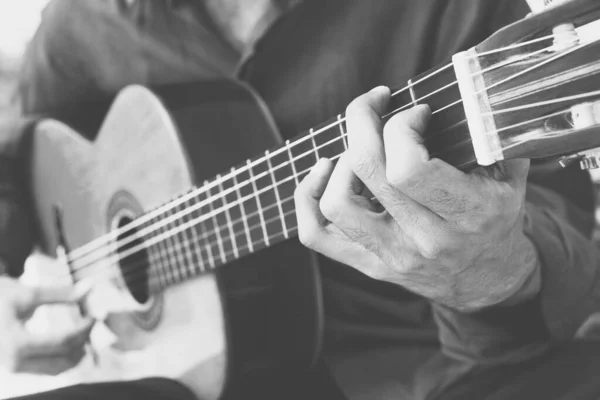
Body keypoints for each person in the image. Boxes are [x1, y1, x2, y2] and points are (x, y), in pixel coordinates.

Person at [1, 0, 600, 399]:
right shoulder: (79, 27)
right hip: (177, 370)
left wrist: (494, 274)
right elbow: (18, 172)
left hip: (424, 369)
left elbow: (563, 245)